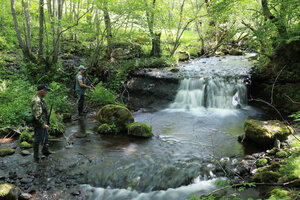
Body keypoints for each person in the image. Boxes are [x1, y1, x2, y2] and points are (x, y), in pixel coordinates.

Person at [31, 85, 52, 162]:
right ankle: (36, 157)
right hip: (39, 124)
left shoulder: (42, 99)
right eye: (45, 91)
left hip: (44, 122)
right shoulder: (37, 101)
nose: (46, 92)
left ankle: (45, 151)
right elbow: (37, 116)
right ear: (40, 91)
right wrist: (43, 125)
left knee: (46, 137)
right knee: (38, 139)